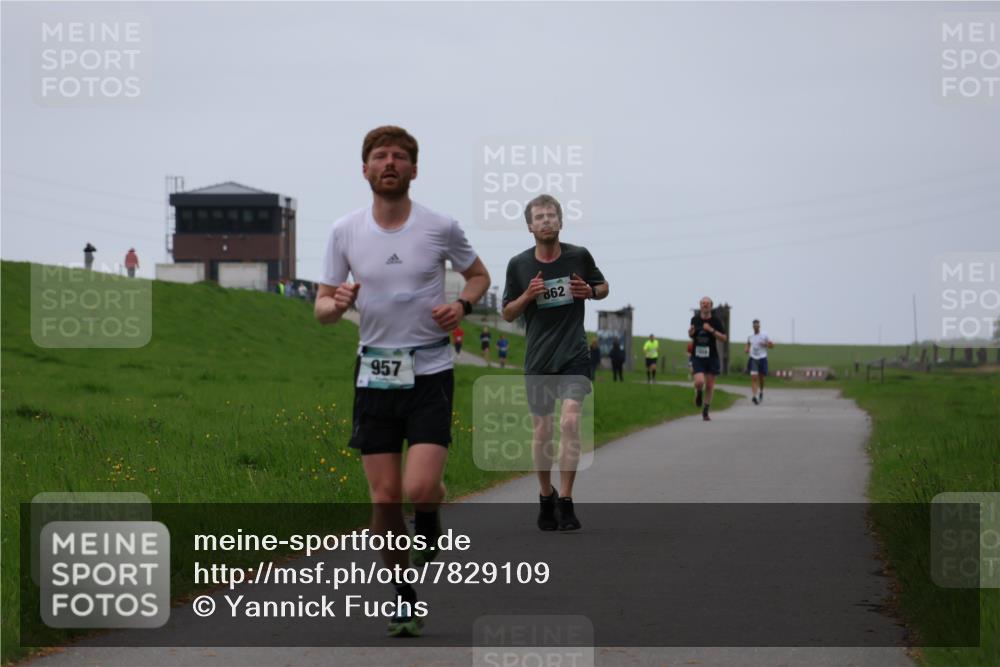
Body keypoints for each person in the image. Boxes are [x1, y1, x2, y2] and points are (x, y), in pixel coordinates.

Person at [315, 126, 490, 638]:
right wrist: (335, 304)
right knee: (385, 499)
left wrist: (462, 305)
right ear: (364, 169)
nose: (388, 163)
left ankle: (429, 516)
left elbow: (479, 275)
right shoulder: (344, 231)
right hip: (374, 374)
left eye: (398, 156)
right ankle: (404, 599)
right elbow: (321, 307)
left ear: (414, 169)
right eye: (379, 156)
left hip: (430, 370)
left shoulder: (440, 226)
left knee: (420, 487)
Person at [502, 194, 608, 532]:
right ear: (530, 227)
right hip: (539, 359)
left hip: (574, 355)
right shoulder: (518, 265)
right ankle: (545, 496)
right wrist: (527, 296)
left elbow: (603, 286)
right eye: (539, 217)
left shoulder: (579, 256)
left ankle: (566, 500)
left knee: (571, 422)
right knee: (543, 431)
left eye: (551, 215)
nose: (546, 221)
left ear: (560, 221)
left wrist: (589, 291)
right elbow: (507, 313)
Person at [688, 297, 727, 421]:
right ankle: (699, 393)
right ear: (700, 305)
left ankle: (705, 410)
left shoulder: (715, 321)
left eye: (707, 303)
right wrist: (690, 332)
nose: (705, 305)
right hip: (697, 356)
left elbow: (724, 338)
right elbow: (692, 335)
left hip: (711, 356)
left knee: (709, 385)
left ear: (711, 306)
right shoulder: (695, 319)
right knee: (699, 382)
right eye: (703, 303)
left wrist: (711, 330)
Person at [745, 319, 774, 404]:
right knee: (754, 377)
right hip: (753, 358)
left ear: (759, 326)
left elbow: (772, 345)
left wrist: (765, 344)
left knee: (761, 378)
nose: (756, 327)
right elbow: (748, 344)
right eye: (754, 326)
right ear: (753, 327)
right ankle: (755, 396)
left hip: (762, 358)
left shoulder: (764, 335)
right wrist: (746, 349)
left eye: (757, 326)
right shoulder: (750, 336)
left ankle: (761, 391)